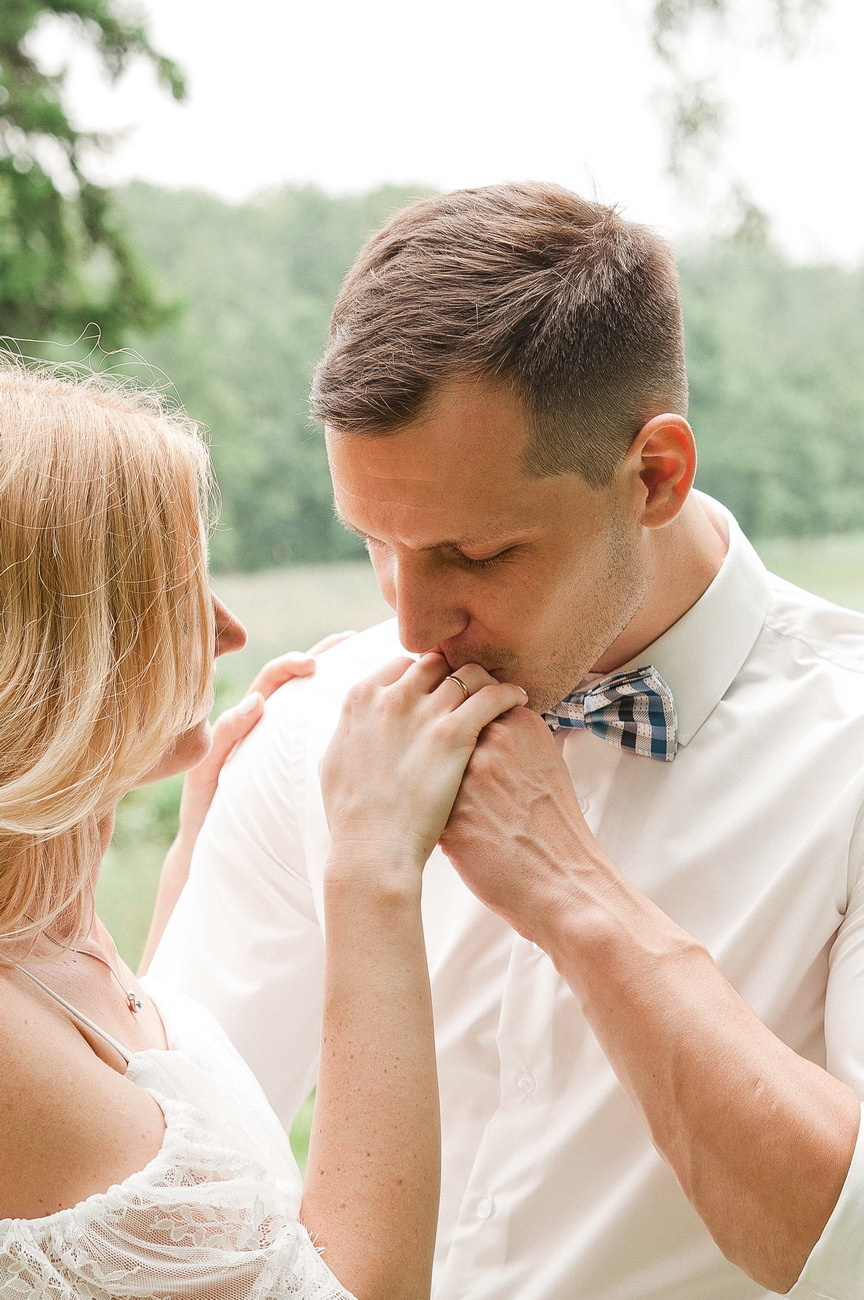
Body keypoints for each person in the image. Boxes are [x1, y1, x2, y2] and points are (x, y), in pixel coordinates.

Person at [153, 182, 864, 1300]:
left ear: (654, 475)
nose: (410, 625)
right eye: (376, 543)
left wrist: (576, 894)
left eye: (476, 555)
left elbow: (848, 1250)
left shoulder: (850, 761)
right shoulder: (313, 731)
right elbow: (169, 1211)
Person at [0, 359, 528, 1300]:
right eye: (175, 591)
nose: (230, 630)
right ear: (64, 646)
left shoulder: (48, 935)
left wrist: (181, 856)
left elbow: (129, 1139)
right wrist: (371, 863)